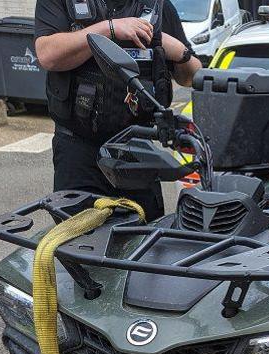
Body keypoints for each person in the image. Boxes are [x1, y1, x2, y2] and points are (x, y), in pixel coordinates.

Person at [35, 0, 202, 221]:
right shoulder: (63, 3)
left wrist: (177, 50)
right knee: (76, 242)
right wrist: (108, 29)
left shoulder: (158, 7)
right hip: (79, 150)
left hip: (136, 152)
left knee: (144, 241)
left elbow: (190, 77)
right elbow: (47, 55)